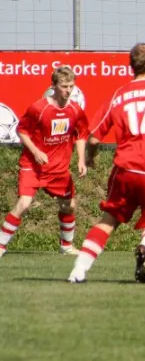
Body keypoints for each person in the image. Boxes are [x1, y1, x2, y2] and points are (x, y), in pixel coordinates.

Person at [68, 43, 145, 284]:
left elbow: (93, 137)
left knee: (108, 220)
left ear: (130, 66)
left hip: (126, 169)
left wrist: (91, 157)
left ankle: (78, 271)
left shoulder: (119, 95)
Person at [0, 66, 88, 258]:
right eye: (64, 86)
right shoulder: (38, 108)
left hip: (58, 169)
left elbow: (81, 134)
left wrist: (81, 159)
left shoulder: (75, 110)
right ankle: (1, 245)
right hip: (33, 167)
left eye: (71, 86)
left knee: (69, 205)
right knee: (24, 203)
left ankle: (66, 246)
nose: (68, 91)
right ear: (54, 85)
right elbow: (22, 131)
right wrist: (36, 151)